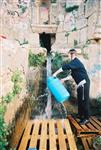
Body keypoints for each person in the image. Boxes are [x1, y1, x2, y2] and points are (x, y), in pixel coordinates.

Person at [53, 49, 90, 125]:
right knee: (80, 100)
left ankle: (86, 118)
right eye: (70, 54)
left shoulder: (76, 62)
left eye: (72, 54)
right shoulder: (74, 64)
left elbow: (64, 67)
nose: (71, 55)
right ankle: (80, 115)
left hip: (83, 83)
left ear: (74, 54)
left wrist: (55, 74)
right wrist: (63, 79)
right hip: (80, 84)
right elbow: (72, 75)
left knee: (84, 100)